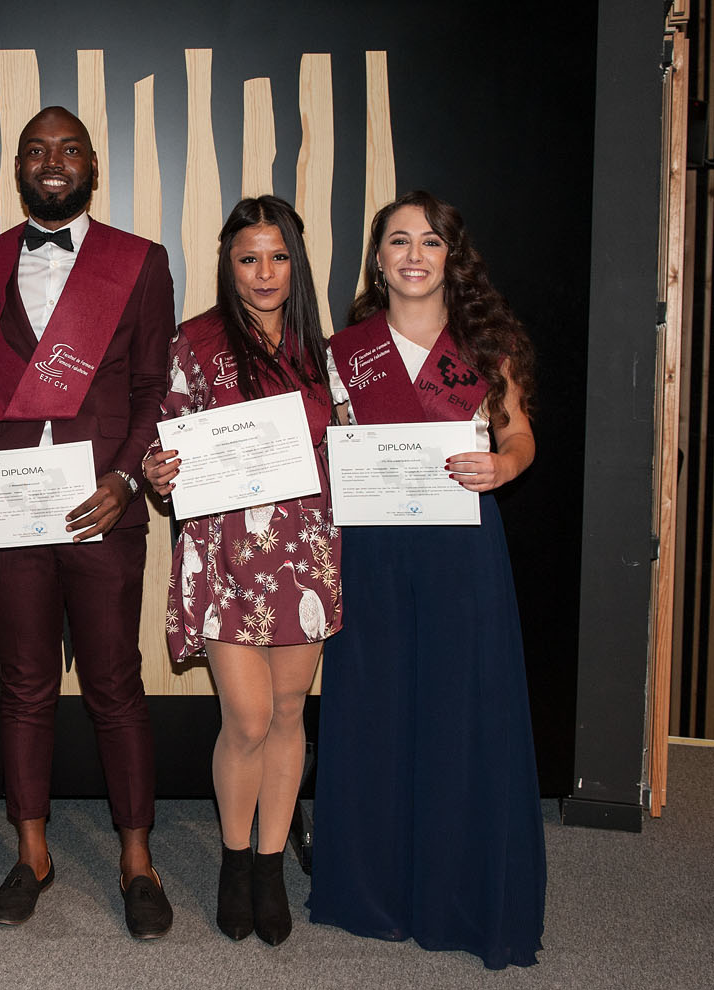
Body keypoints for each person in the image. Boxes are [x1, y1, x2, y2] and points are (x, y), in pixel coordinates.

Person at [0, 106, 176, 937]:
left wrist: (125, 480)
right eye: (36, 150)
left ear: (91, 164)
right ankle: (32, 854)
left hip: (102, 505)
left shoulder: (139, 262)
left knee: (114, 685)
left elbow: (152, 387)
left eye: (69, 149)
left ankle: (137, 861)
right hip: (8, 507)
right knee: (25, 685)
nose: (52, 161)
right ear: (17, 167)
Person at [308, 190, 545, 968]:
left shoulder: (484, 348)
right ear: (377, 260)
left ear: (451, 258)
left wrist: (504, 465)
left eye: (431, 241)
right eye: (399, 240)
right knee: (372, 712)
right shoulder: (341, 353)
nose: (414, 254)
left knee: (461, 712)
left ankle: (457, 894)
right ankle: (371, 891)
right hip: (370, 551)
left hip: (461, 549)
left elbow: (519, 434)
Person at [143, 196, 340, 946]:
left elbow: (351, 441)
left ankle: (268, 864)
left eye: (278, 257)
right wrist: (158, 468)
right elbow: (163, 431)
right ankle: (233, 857)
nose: (264, 273)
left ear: (296, 262)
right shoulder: (195, 342)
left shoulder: (325, 349)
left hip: (306, 550)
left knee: (289, 714)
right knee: (249, 717)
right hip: (225, 552)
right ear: (228, 265)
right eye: (248, 258)